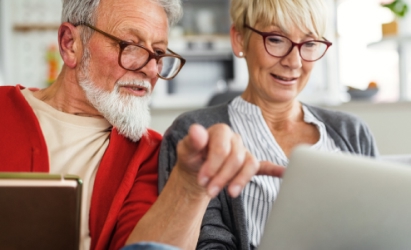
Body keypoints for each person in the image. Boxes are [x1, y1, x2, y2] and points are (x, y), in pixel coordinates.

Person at [0, 0, 285, 249]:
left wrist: (190, 187)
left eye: (159, 53)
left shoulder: (150, 154)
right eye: (132, 46)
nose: (151, 69)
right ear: (70, 44)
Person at [158, 0, 379, 249]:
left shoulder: (353, 132)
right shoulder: (195, 134)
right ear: (239, 39)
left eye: (309, 44)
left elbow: (378, 230)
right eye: (276, 39)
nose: (294, 62)